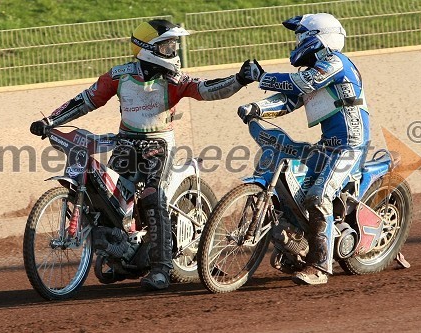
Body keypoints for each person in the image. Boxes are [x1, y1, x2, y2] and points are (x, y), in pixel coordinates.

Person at [30, 19, 253, 291]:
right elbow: (86, 99)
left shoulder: (174, 79)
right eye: (167, 45)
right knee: (107, 197)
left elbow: (206, 90)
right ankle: (121, 253)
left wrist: (240, 79)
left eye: (173, 45)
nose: (174, 51)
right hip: (125, 142)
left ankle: (161, 268)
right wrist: (51, 121)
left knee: (151, 195)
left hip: (159, 144)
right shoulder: (119, 75)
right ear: (148, 49)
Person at [238, 13, 370, 285]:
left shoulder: (335, 63)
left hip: (349, 146)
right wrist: (256, 109)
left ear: (320, 37)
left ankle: (320, 267)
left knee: (319, 196)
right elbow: (289, 101)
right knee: (291, 188)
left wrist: (262, 76)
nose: (297, 42)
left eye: (302, 36)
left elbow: (301, 84)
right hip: (326, 147)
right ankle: (297, 242)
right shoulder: (314, 72)